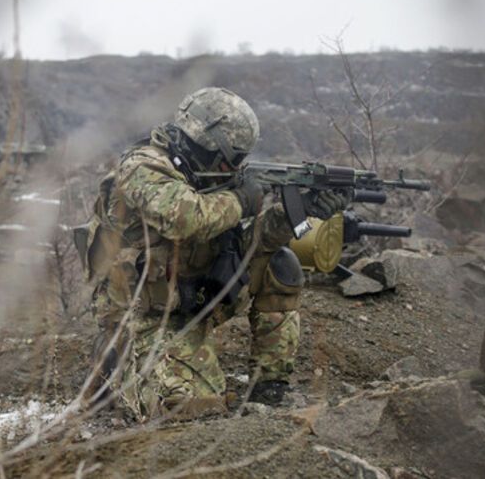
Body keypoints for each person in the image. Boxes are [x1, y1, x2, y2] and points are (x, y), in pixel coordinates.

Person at [77, 87, 346, 419]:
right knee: (188, 411)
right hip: (143, 313)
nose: (236, 167)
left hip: (197, 292)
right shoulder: (141, 166)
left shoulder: (210, 174)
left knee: (280, 263)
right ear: (205, 145)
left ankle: (269, 387)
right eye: (233, 158)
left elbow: (252, 241)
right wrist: (243, 199)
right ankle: (114, 361)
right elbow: (183, 218)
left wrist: (298, 211)